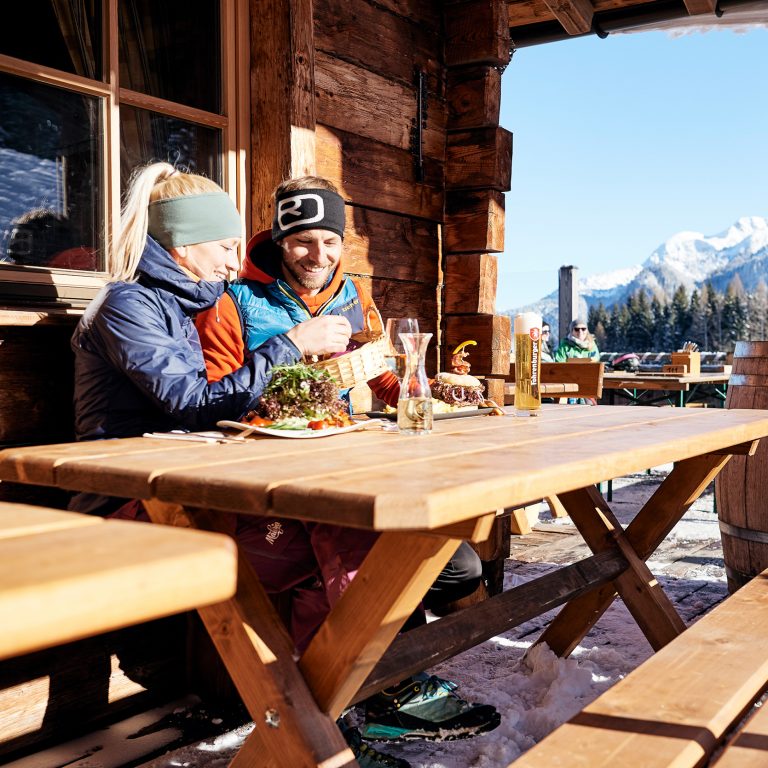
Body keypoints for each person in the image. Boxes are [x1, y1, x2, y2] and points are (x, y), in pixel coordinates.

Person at [195, 175, 500, 765]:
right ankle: (379, 691)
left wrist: (418, 392)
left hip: (341, 459)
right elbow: (215, 398)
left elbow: (374, 369)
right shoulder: (234, 301)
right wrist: (294, 344)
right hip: (266, 477)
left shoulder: (352, 294)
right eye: (303, 241)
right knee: (365, 552)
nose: (319, 255)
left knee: (446, 553)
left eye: (330, 241)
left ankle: (390, 682)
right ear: (279, 241)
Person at [70, 161, 351, 516]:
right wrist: (291, 344)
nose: (234, 264)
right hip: (126, 493)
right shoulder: (128, 306)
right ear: (183, 244)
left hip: (173, 477)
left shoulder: (178, 303)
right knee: (316, 518)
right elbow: (194, 405)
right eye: (226, 247)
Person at [554, 318, 600, 405]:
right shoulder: (565, 345)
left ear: (587, 330)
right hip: (568, 382)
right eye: (576, 329)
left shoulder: (592, 345)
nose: (580, 332)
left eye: (583, 329)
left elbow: (596, 360)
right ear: (572, 331)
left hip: (587, 382)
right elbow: (559, 363)